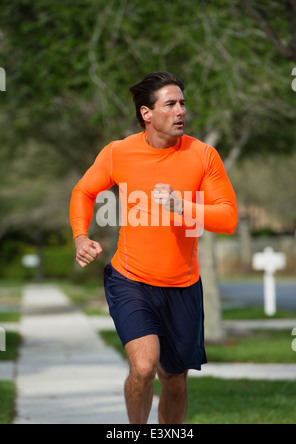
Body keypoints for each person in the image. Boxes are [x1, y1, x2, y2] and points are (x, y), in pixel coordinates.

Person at [70, 72, 238, 424]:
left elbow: (228, 218)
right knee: (144, 367)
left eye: (183, 104)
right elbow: (84, 192)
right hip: (131, 280)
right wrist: (81, 236)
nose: (181, 111)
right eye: (171, 104)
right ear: (147, 113)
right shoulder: (119, 153)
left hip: (183, 286)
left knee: (174, 379)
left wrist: (183, 207)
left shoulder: (203, 155)